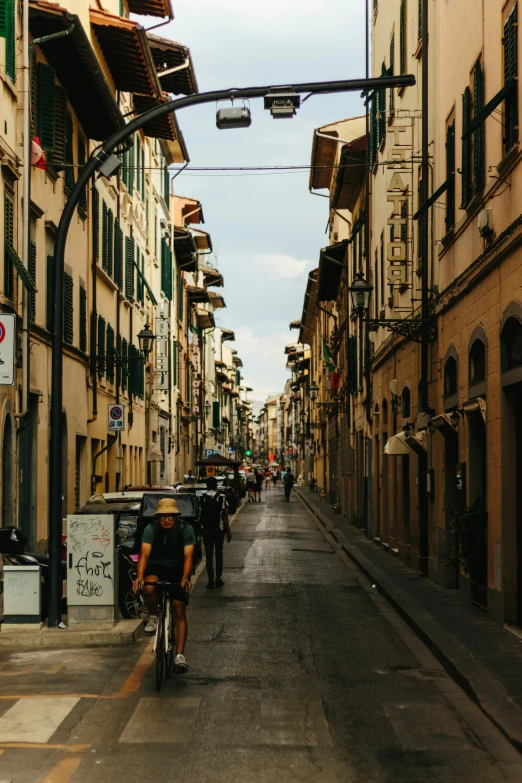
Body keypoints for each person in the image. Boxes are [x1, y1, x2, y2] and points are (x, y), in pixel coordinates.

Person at [133, 498, 195, 674]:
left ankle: (180, 656)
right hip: (156, 564)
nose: (166, 519)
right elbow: (144, 554)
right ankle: (153, 616)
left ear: (175, 517)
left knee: (179, 609)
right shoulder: (151, 529)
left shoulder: (186, 529)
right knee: (149, 588)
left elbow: (188, 556)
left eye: (170, 516)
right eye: (163, 516)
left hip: (178, 567)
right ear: (158, 517)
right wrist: (139, 577)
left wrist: (185, 578)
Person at [200, 476, 232, 589]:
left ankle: (210, 580)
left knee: (208, 555)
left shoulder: (202, 498)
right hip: (218, 530)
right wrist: (228, 531)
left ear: (207, 486)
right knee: (219, 553)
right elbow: (224, 514)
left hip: (207, 530)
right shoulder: (222, 497)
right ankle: (218, 578)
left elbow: (200, 515)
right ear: (216, 486)